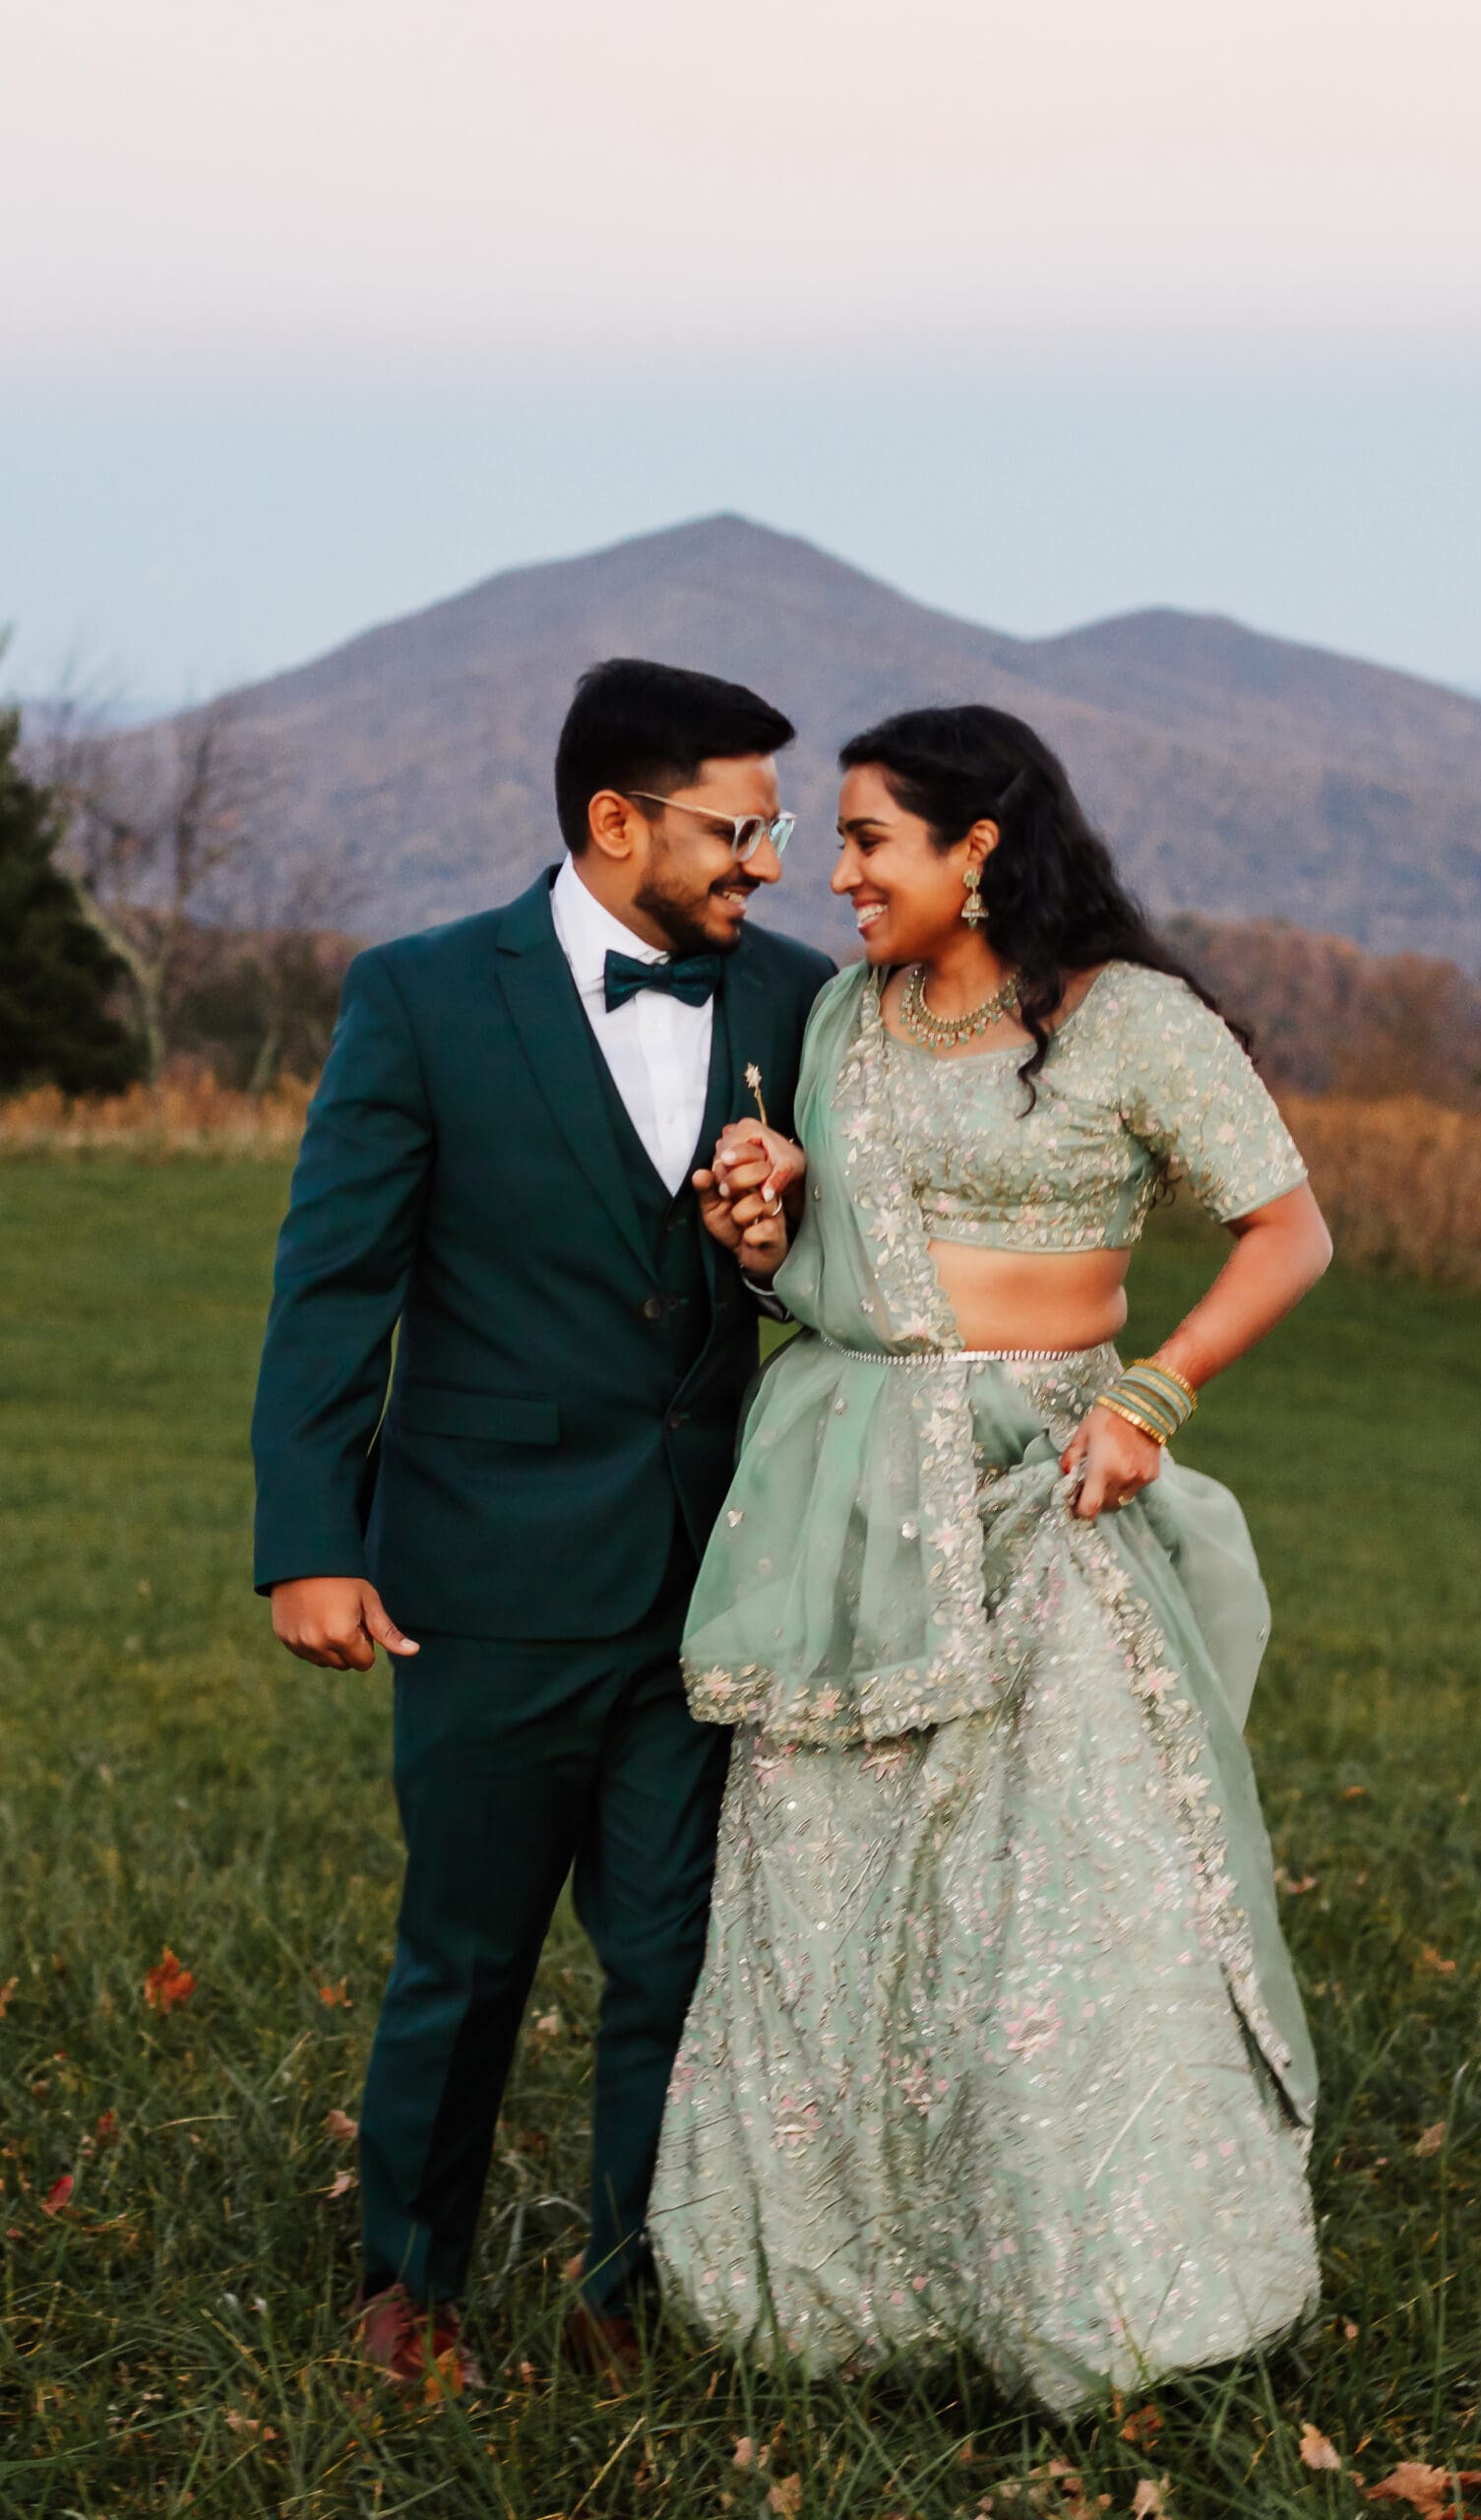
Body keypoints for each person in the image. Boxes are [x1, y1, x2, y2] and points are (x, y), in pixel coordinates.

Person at [649, 703, 1333, 2411]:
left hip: (1053, 1495)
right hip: (851, 1501)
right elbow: (836, 1266)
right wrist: (767, 1217)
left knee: (1065, 1904)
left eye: (873, 838)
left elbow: (1290, 1231)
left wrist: (1156, 1399)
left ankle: (1100, 2294)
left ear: (980, 849)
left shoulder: (1131, 1024)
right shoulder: (842, 1019)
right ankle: (828, 2299)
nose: (837, 870)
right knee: (834, 1893)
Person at [249, 658, 833, 2387]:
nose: (770, 864)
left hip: (707, 1578)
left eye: (779, 828)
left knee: (673, 1956)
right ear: (615, 821)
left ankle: (627, 2294)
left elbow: (836, 1267)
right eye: (740, 828)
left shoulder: (800, 1001)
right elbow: (333, 1284)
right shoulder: (422, 997)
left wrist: (777, 1234)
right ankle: (405, 2282)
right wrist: (310, 1537)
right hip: (482, 1574)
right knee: (470, 1953)